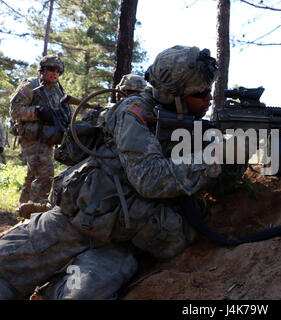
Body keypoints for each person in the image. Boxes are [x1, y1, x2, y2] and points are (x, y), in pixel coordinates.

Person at [0, 45, 247, 300]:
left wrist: (236, 157)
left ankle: (52, 287)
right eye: (201, 92)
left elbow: (218, 186)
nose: (209, 98)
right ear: (173, 94)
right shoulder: (135, 111)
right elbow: (150, 179)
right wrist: (219, 155)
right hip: (72, 221)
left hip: (118, 244)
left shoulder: (198, 128)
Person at [9, 54, 72, 204]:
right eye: (51, 69)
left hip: (47, 140)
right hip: (32, 139)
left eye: (58, 71)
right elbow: (14, 110)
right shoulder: (30, 86)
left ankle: (23, 209)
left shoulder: (58, 92)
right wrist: (37, 112)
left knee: (33, 175)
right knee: (46, 175)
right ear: (42, 70)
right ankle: (35, 212)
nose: (55, 73)